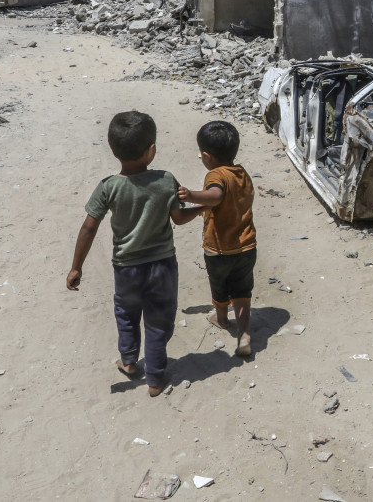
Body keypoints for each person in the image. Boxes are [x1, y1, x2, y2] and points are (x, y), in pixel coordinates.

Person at [66, 111, 199, 396]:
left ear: (114, 150)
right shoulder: (166, 180)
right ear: (151, 150)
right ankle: (155, 379)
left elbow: (89, 228)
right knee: (157, 321)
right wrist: (204, 208)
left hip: (126, 268)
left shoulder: (108, 187)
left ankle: (128, 363)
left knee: (126, 315)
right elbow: (179, 218)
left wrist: (76, 267)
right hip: (162, 266)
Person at [178, 120, 257, 357]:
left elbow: (215, 196)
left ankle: (222, 319)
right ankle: (244, 334)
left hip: (220, 249)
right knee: (243, 290)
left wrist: (191, 195)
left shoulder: (216, 175)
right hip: (247, 245)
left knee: (220, 288)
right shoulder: (241, 173)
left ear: (206, 156)